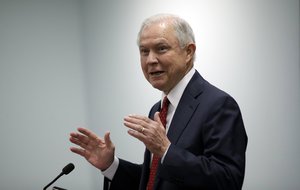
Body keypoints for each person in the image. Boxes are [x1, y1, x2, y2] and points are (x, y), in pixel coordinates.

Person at [69, 13, 248, 190]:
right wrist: (110, 165)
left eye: (161, 48)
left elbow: (228, 181)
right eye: (144, 51)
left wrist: (166, 150)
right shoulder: (158, 109)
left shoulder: (218, 105)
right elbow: (155, 181)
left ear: (188, 52)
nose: (150, 60)